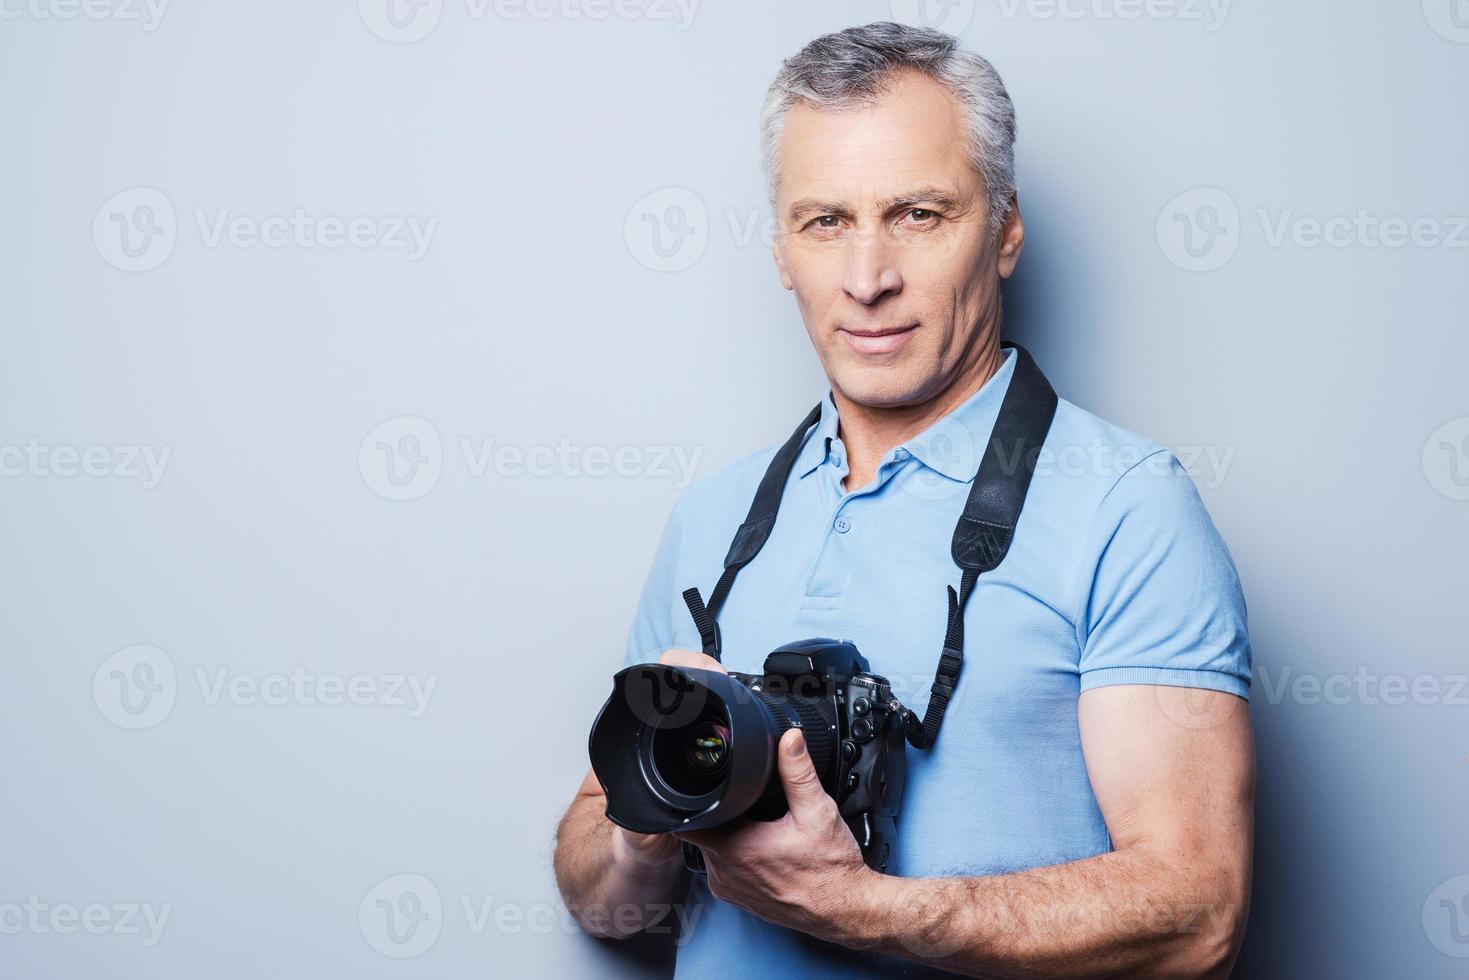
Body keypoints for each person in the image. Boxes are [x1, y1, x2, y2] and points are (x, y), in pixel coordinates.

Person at [554, 21, 1253, 979]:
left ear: (1003, 229)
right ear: (779, 249)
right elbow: (602, 905)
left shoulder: (1125, 508)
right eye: (824, 221)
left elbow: (1195, 916)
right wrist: (650, 819)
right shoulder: (714, 521)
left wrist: (864, 909)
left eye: (918, 214)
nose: (867, 278)